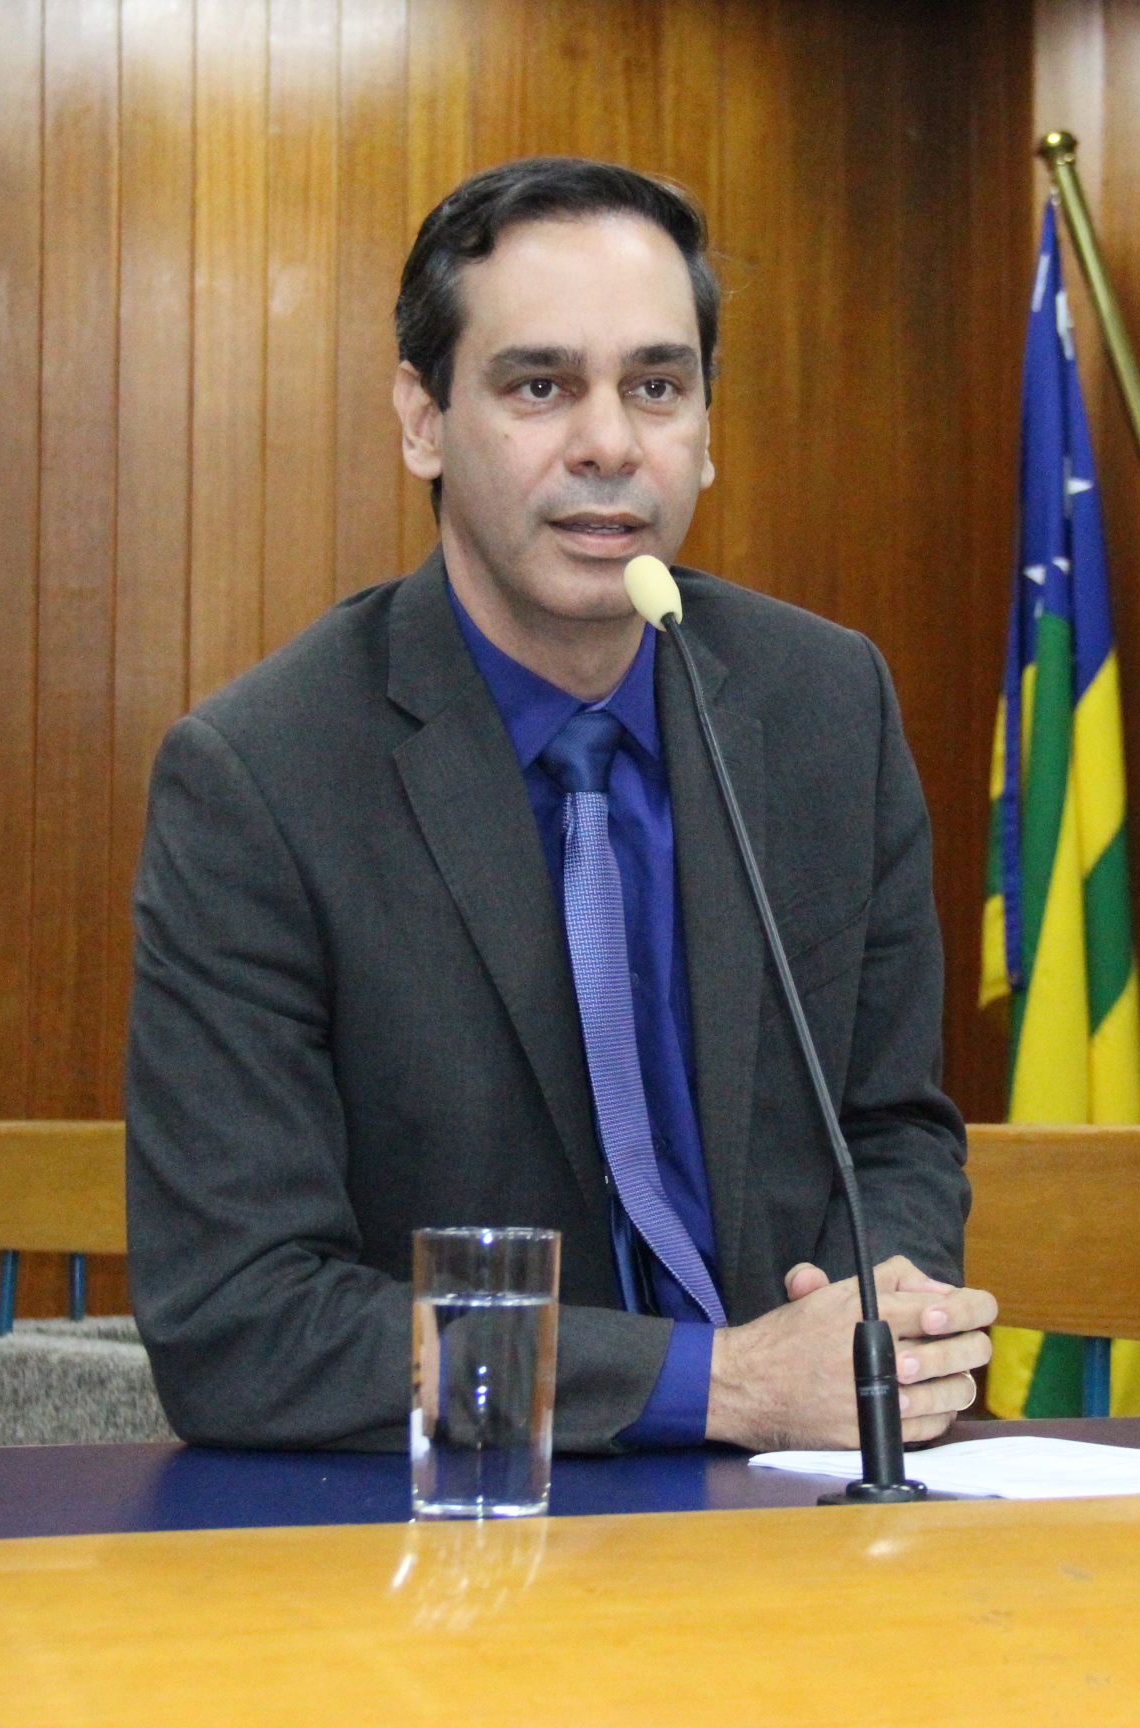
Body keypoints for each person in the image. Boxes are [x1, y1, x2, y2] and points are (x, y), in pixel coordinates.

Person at [125, 157, 995, 1454]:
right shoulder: (265, 777)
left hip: (816, 1486)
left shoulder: (825, 705)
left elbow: (890, 1128)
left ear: (707, 425)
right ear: (423, 420)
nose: (610, 443)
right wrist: (721, 1385)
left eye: (657, 386)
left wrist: (884, 1311)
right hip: (470, 1514)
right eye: (540, 386)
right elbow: (239, 1323)